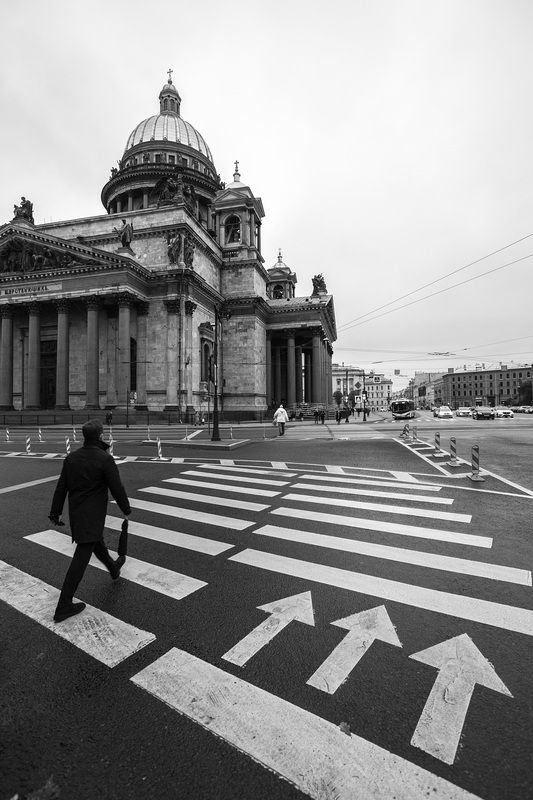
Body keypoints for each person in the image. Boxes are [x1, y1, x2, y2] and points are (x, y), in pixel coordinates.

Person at [48, 419, 131, 623]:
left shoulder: (72, 458)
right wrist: (126, 509)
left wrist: (55, 512)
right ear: (100, 436)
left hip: (77, 514)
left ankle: (113, 569)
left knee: (96, 544)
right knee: (81, 558)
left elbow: (61, 487)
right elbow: (116, 487)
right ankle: (64, 604)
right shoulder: (104, 459)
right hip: (93, 515)